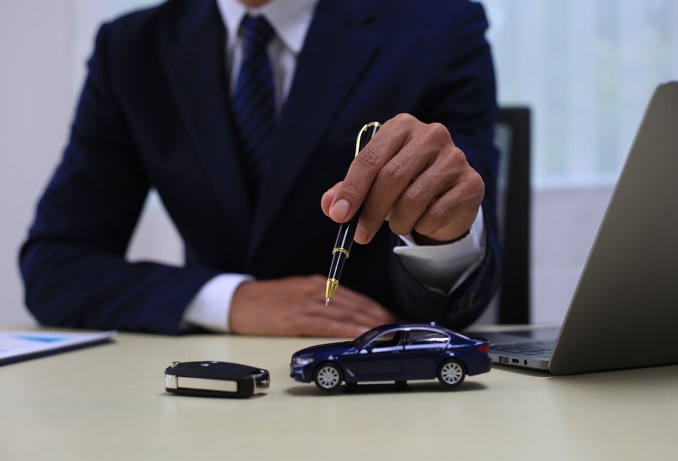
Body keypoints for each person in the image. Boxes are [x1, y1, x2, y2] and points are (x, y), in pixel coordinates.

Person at [19, 0, 501, 337]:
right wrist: (230, 301)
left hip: (385, 378)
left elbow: (461, 300)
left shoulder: (442, 27)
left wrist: (444, 236)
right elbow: (55, 268)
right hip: (209, 393)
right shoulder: (129, 49)